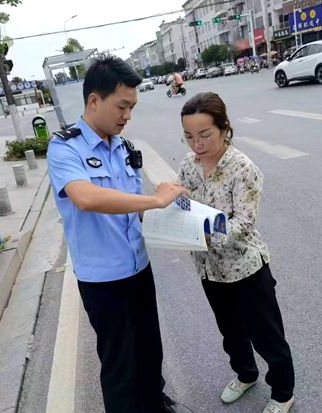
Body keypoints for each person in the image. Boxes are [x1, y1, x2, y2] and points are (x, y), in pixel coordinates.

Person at [47, 56, 189, 413]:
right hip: (103, 279)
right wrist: (155, 200)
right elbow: (86, 197)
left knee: (149, 349)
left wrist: (179, 220)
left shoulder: (123, 147)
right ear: (94, 100)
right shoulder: (65, 147)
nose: (127, 116)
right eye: (122, 106)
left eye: (132, 108)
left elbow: (134, 207)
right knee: (120, 364)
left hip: (138, 267)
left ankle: (154, 404)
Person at [177, 92, 295, 413]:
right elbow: (184, 205)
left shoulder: (243, 168)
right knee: (230, 331)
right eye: (189, 136)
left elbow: (243, 223)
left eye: (205, 135)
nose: (196, 144)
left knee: (266, 335)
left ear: (224, 127)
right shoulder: (188, 165)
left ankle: (283, 393)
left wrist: (203, 233)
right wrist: (173, 207)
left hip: (245, 269)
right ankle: (245, 374)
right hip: (209, 269)